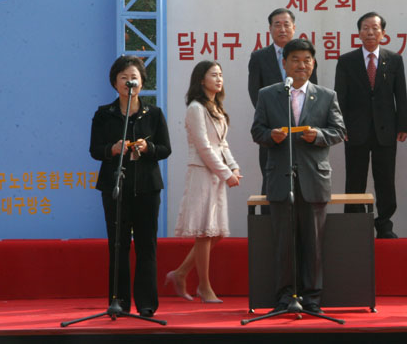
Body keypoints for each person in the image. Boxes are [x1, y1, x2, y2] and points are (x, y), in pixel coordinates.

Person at [251, 39, 345, 314]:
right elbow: (257, 132)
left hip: (314, 179)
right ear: (285, 63)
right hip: (281, 178)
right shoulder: (268, 94)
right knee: (283, 244)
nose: (301, 65)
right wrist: (272, 136)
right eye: (295, 60)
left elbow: (338, 131)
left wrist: (319, 135)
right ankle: (284, 298)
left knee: (313, 244)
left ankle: (313, 299)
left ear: (313, 63)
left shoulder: (327, 95)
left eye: (307, 60)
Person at [89, 55, 171, 318]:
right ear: (115, 83)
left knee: (147, 245)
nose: (128, 81)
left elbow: (165, 149)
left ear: (142, 82)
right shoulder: (104, 114)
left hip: (147, 187)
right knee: (118, 244)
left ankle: (146, 304)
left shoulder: (154, 114)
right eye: (123, 77)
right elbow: (94, 150)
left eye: (133, 76)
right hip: (115, 185)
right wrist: (112, 149)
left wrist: (148, 149)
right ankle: (119, 302)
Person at [166, 61, 242, 303]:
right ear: (201, 80)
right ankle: (204, 286)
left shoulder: (216, 107)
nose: (219, 79)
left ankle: (180, 274)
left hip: (216, 174)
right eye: (214, 75)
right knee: (204, 232)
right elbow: (204, 146)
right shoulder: (196, 108)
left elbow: (222, 144)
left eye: (221, 75)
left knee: (215, 233)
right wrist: (225, 173)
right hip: (201, 173)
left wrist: (233, 166)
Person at [334, 11, 407, 238]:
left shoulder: (394, 59)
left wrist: (402, 125)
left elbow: (401, 95)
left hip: (386, 130)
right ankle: (354, 225)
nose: (370, 32)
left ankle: (384, 224)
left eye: (375, 28)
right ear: (358, 33)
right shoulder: (346, 61)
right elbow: (339, 97)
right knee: (355, 178)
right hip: (354, 131)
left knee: (385, 179)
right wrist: (340, 126)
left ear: (383, 33)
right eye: (365, 28)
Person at [248, 8, 318, 199]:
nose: (282, 29)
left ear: (294, 28)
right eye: (277, 25)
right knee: (272, 183)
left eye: (286, 24)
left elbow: (314, 92)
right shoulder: (259, 57)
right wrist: (274, 119)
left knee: (305, 183)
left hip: (302, 131)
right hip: (273, 131)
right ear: (270, 29)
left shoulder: (307, 56)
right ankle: (270, 227)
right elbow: (255, 93)